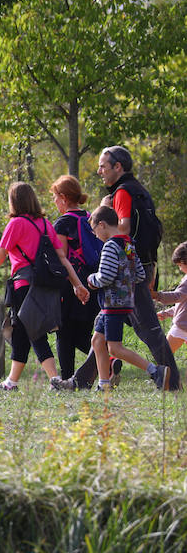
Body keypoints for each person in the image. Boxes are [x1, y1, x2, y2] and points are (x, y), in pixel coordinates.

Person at [0, 181, 90, 391]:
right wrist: (76, 284)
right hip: (45, 286)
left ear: (14, 201)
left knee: (35, 332)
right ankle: (11, 383)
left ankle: (55, 380)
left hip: (24, 286)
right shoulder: (45, 224)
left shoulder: (16, 224)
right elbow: (62, 258)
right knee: (20, 332)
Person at [90, 146, 179, 390]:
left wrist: (106, 224)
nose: (100, 171)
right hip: (141, 264)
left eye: (103, 166)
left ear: (118, 167)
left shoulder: (123, 192)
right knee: (101, 336)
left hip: (125, 273)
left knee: (148, 329)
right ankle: (94, 381)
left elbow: (125, 228)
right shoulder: (140, 190)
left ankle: (169, 380)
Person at [85, 205, 163, 389]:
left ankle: (155, 371)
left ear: (102, 225)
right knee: (97, 341)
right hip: (121, 302)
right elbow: (140, 275)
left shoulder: (109, 247)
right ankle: (104, 384)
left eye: (95, 230)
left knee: (114, 348)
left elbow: (105, 277)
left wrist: (91, 279)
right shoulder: (128, 244)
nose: (95, 235)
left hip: (113, 304)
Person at [49, 176, 100, 386]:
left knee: (64, 332)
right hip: (94, 281)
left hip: (73, 284)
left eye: (54, 197)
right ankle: (104, 359)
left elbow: (62, 258)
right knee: (85, 331)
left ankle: (67, 378)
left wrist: (73, 284)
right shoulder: (90, 217)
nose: (54, 201)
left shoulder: (63, 223)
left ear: (63, 197)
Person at [152, 241, 187, 354]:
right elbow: (183, 305)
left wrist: (158, 295)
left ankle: (160, 372)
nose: (180, 269)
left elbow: (177, 296)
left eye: (180, 265)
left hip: (182, 327)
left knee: (164, 355)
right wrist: (168, 313)